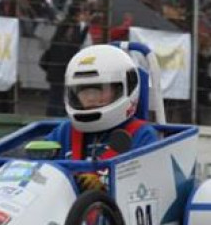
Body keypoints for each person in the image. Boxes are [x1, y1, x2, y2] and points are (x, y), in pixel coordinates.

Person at [43, 44, 158, 176]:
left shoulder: (142, 136)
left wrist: (104, 184)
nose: (91, 98)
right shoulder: (64, 132)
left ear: (123, 89)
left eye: (100, 90)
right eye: (83, 91)